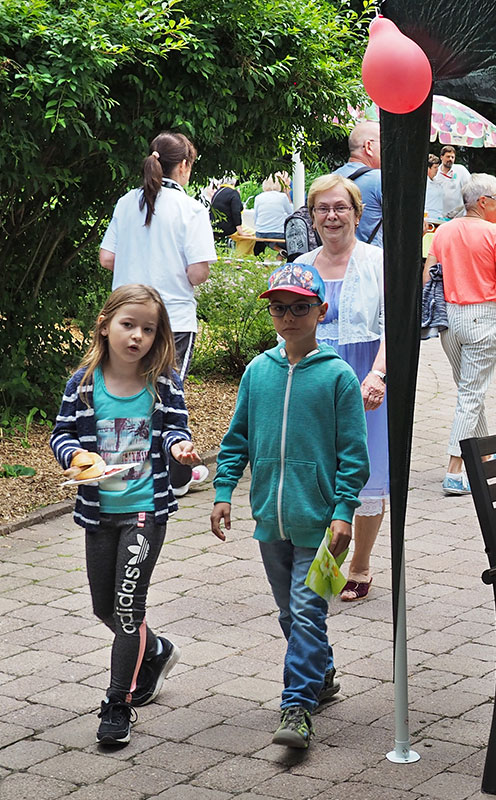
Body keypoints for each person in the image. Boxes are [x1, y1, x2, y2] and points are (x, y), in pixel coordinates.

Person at [209, 264, 369, 749]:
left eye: (301, 307)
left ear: (322, 311)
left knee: (304, 610)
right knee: (290, 612)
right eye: (280, 307)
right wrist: (222, 492)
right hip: (270, 521)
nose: (289, 316)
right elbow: (236, 440)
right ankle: (321, 674)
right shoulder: (258, 372)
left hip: (323, 525)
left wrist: (344, 511)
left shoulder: (339, 376)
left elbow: (354, 456)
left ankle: (297, 707)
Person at [49, 284, 200, 746]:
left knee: (128, 609)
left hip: (145, 510)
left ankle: (118, 704)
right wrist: (75, 457)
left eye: (148, 329)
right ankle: (155, 650)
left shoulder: (165, 384)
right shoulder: (84, 383)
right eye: (128, 325)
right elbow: (62, 434)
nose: (137, 336)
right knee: (102, 607)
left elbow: (178, 430)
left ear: (159, 336)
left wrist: (180, 449)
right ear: (105, 325)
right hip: (99, 512)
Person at [292, 174, 388, 601]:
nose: (332, 216)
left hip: (364, 375)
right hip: (315, 376)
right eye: (323, 209)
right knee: (317, 473)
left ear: (357, 212)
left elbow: (394, 325)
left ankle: (360, 564)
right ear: (312, 216)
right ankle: (321, 567)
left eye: (340, 207)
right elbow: (287, 328)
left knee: (365, 473)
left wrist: (379, 374)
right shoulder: (302, 267)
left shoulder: (377, 261)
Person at [424, 173, 496, 495]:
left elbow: (426, 274)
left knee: (470, 390)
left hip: (449, 319)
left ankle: (484, 451)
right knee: (471, 395)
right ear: (483, 202)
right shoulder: (495, 233)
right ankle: (454, 470)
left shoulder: (444, 231)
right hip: (480, 318)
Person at [100, 131, 216, 383]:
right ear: (184, 165)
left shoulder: (126, 201)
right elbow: (197, 273)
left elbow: (107, 258)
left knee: (123, 390)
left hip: (125, 317)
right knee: (165, 398)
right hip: (172, 319)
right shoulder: (192, 209)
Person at [333, 121, 384, 245]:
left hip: (331, 260)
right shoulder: (380, 180)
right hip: (370, 261)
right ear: (369, 146)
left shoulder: (328, 181)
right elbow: (405, 226)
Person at [251, 173, 294, 256]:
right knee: (290, 242)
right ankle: (281, 255)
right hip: (278, 233)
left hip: (261, 232)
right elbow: (291, 212)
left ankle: (279, 252)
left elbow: (255, 217)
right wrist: (288, 195)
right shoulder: (282, 197)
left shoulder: (258, 197)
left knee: (266, 239)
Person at [436, 145, 471, 218]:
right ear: (441, 157)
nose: (450, 159)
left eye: (452, 157)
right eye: (448, 157)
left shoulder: (460, 170)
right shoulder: (436, 172)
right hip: (439, 215)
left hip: (458, 215)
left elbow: (470, 188)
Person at [425, 154, 448, 221]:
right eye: (435, 167)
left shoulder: (437, 182)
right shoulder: (424, 184)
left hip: (439, 218)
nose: (437, 170)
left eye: (438, 167)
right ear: (428, 168)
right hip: (428, 219)